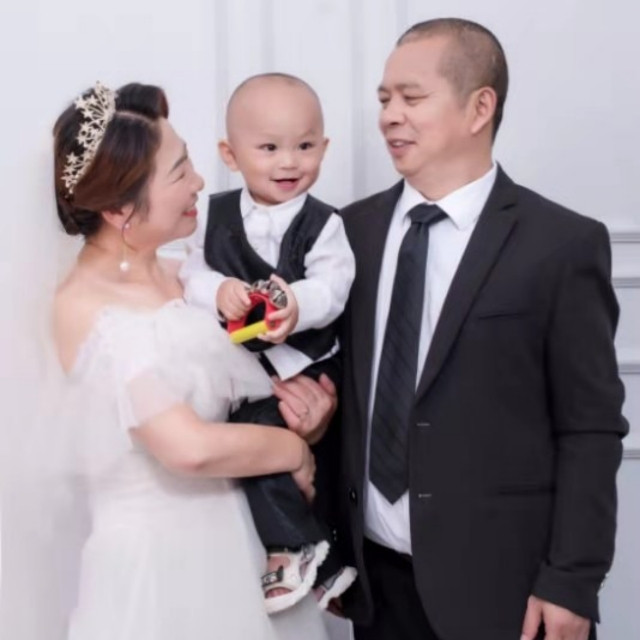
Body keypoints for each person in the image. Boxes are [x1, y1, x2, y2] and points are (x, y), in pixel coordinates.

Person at [0, 81, 335, 640]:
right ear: (119, 208)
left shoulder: (191, 275)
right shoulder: (84, 309)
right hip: (161, 565)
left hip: (245, 543)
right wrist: (292, 451)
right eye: (180, 172)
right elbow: (187, 447)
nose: (200, 182)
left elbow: (254, 389)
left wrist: (308, 418)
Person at [335, 18, 628, 640]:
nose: (389, 116)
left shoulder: (561, 244)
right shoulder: (349, 233)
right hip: (376, 588)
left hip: (506, 592)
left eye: (412, 97)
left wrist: (571, 580)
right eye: (384, 99)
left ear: (480, 107)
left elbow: (590, 428)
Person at [180, 73, 357, 613]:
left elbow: (333, 285)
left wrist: (296, 304)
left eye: (305, 146)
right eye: (270, 148)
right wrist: (219, 291)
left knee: (270, 447)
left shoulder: (325, 224)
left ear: (324, 146)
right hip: (245, 368)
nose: (289, 162)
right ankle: (328, 563)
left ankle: (292, 548)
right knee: (254, 452)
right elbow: (189, 273)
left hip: (302, 364)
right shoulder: (212, 214)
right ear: (230, 155)